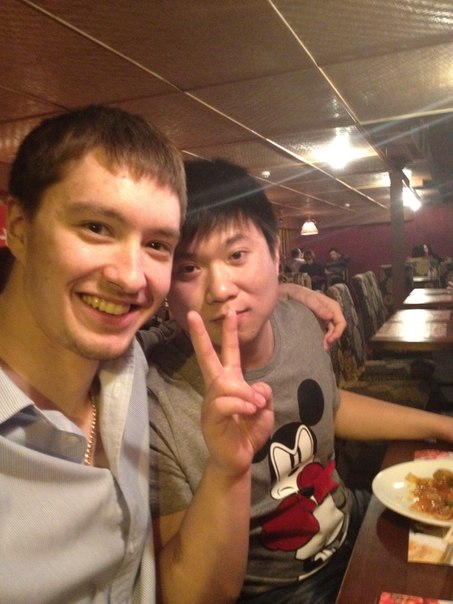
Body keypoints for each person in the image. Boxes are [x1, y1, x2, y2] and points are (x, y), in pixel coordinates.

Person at [0, 106, 346, 603]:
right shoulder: (154, 378)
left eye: (157, 245)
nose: (131, 277)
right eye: (96, 227)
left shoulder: (127, 364)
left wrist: (285, 292)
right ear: (18, 226)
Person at [146, 158, 453, 604]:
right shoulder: (155, 396)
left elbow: (334, 406)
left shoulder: (299, 320)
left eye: (237, 255)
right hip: (276, 591)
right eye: (188, 269)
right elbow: (186, 592)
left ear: (275, 255)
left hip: (349, 524)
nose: (221, 288)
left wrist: (442, 426)